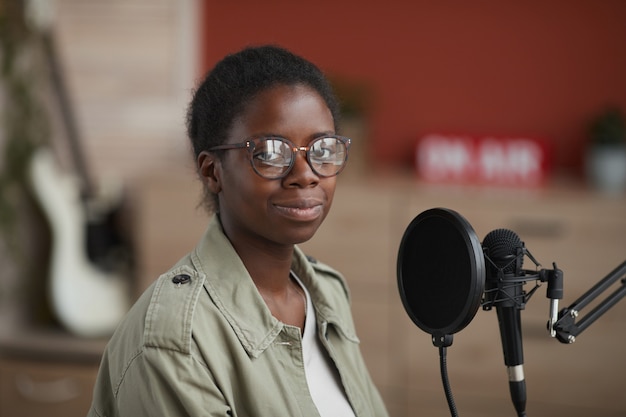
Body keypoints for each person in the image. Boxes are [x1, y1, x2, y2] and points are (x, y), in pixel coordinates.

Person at [87, 45, 389, 417]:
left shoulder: (327, 292)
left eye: (321, 148)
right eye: (270, 153)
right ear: (213, 172)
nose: (306, 173)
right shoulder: (175, 341)